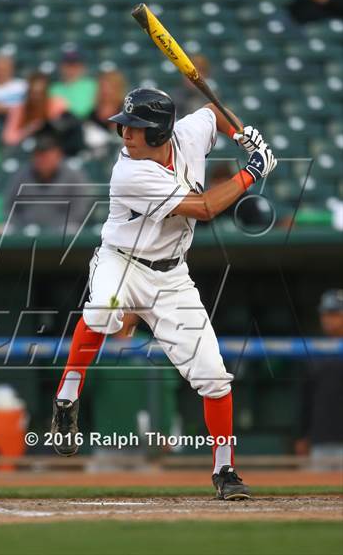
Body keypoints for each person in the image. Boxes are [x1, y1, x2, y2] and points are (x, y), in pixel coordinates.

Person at [50, 88, 277, 500]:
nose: (124, 134)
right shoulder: (129, 173)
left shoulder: (188, 135)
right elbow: (205, 208)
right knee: (102, 310)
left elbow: (213, 110)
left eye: (134, 128)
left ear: (159, 134)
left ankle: (225, 469)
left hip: (171, 277)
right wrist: (252, 170)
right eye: (124, 126)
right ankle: (67, 396)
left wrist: (241, 133)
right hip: (122, 261)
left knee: (213, 377)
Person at [4, 131, 90, 233]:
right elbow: (9, 206)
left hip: (63, 230)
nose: (42, 160)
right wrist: (20, 226)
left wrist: (53, 227)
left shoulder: (73, 176)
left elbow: (79, 210)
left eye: (47, 156)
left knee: (71, 230)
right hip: (25, 229)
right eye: (38, 155)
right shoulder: (22, 174)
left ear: (58, 156)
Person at [295, 289, 343, 470]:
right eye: (325, 314)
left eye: (335, 314)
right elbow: (306, 399)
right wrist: (302, 435)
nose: (328, 319)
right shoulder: (314, 351)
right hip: (320, 440)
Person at [2, 72, 84, 155]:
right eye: (33, 93)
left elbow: (67, 126)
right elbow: (9, 138)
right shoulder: (19, 109)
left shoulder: (56, 104)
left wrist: (47, 123)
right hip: (30, 150)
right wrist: (30, 129)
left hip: (55, 148)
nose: (37, 97)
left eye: (40, 93)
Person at [49, 49, 98, 120]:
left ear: (82, 67)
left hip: (88, 123)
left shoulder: (93, 85)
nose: (71, 69)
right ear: (61, 67)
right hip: (62, 124)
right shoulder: (54, 88)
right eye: (68, 65)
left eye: (75, 65)